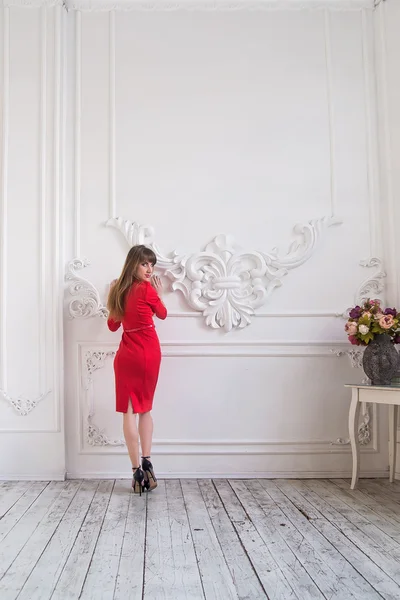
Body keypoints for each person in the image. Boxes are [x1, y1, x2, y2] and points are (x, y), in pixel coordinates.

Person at [107, 244, 167, 495]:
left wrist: (112, 296)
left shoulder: (118, 291)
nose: (149, 268)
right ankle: (147, 461)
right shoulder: (146, 289)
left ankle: (135, 472)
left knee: (129, 412)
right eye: (145, 263)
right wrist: (158, 293)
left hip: (126, 354)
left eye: (151, 264)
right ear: (133, 264)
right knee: (145, 410)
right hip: (148, 353)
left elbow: (112, 325)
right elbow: (162, 314)